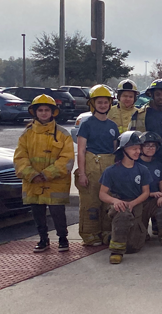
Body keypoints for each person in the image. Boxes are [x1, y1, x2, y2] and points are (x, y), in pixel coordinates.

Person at [14, 95, 75, 253]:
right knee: (37, 212)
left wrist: (47, 174)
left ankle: (63, 238)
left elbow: (67, 159)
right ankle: (43, 239)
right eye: (40, 110)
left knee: (57, 213)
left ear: (53, 112)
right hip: (33, 182)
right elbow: (20, 157)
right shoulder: (26, 134)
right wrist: (32, 174)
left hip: (56, 182)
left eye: (46, 110)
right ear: (34, 112)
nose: (43, 113)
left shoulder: (62, 134)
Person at [99, 131, 152, 264]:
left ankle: (116, 236)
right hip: (118, 204)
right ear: (123, 150)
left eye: (139, 149)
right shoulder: (110, 171)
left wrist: (133, 203)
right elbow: (102, 194)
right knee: (123, 213)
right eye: (134, 148)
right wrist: (115, 201)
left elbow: (146, 192)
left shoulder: (142, 170)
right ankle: (116, 251)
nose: (138, 152)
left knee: (133, 247)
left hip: (136, 204)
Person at [76, 84, 119, 246]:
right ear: (92, 104)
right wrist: (82, 173)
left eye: (106, 102)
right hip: (91, 166)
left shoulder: (113, 126)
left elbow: (116, 151)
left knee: (108, 201)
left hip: (109, 165)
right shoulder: (86, 124)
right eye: (99, 102)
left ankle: (106, 232)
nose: (103, 105)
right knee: (91, 201)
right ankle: (89, 233)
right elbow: (81, 151)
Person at [129, 79, 162, 169]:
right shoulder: (139, 115)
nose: (161, 97)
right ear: (151, 95)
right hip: (143, 161)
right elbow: (131, 137)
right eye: (158, 94)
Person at [137, 132, 162, 247]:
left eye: (153, 145)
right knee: (136, 241)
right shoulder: (135, 164)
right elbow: (133, 189)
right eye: (147, 145)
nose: (150, 148)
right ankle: (142, 233)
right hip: (139, 202)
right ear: (141, 147)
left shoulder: (158, 164)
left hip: (154, 201)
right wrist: (151, 194)